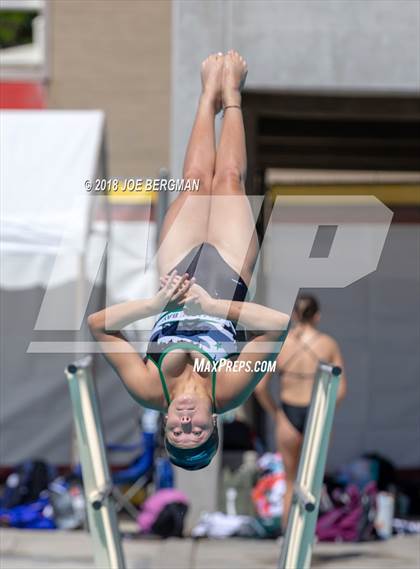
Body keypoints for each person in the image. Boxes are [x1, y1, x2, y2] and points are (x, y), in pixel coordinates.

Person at [88, 51, 289, 471]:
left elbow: (99, 326)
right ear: (213, 423)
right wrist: (214, 308)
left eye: (176, 433)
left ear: (163, 423)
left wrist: (157, 305)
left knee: (196, 182)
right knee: (229, 180)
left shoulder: (148, 387)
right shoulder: (230, 388)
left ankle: (206, 95)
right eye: (195, 432)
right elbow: (277, 326)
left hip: (176, 272)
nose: (185, 425)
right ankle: (231, 92)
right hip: (227, 274)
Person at [254, 294, 347, 530]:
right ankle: (308, 537)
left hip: (288, 413)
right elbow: (341, 389)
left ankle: (286, 538)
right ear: (317, 316)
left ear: (294, 315)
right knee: (313, 481)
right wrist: (323, 414)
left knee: (289, 480)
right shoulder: (328, 344)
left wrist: (277, 415)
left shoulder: (283, 345)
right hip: (316, 414)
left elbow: (260, 387)